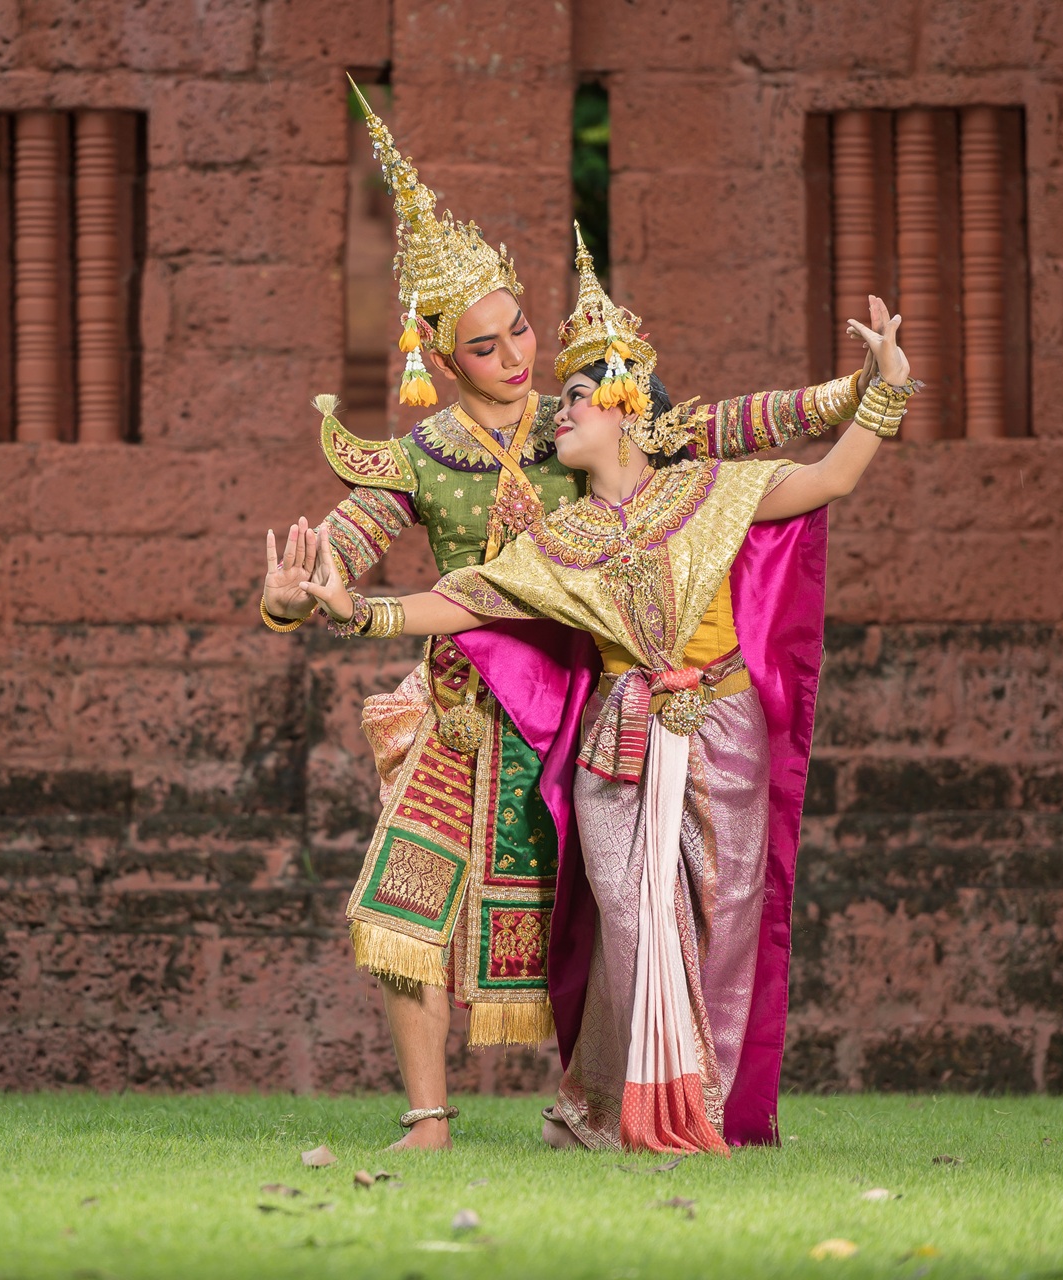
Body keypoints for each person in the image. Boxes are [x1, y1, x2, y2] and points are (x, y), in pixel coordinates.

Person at [260, 82, 881, 1152]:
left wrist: (852, 394)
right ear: (440, 357)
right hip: (466, 710)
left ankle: (613, 1104)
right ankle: (429, 1119)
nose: (516, 356)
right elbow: (354, 548)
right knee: (400, 904)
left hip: (593, 715)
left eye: (521, 329)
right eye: (487, 345)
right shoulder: (420, 458)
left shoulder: (588, 420)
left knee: (624, 922)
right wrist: (301, 597)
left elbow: (722, 430)